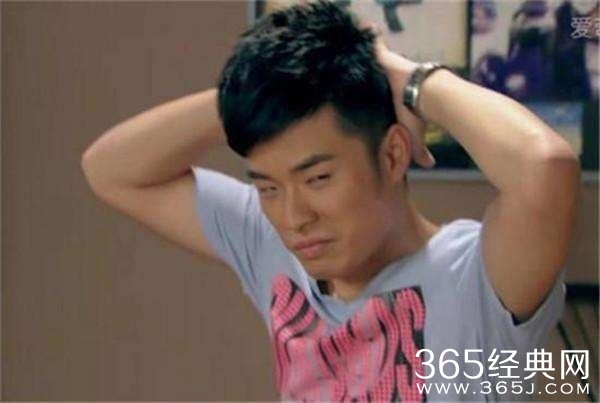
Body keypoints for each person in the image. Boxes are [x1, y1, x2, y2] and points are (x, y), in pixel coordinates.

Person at [81, 1, 580, 401]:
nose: (293, 218)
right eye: (268, 187)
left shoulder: (475, 278)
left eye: (318, 178)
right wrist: (256, 91)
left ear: (392, 156)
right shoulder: (270, 242)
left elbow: (545, 167)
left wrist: (403, 77)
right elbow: (112, 170)